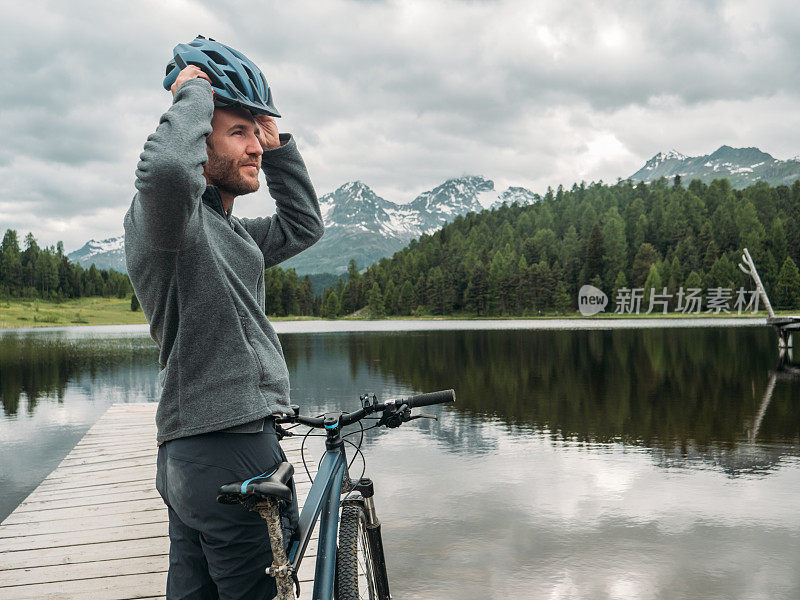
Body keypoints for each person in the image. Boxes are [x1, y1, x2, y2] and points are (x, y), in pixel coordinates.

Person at [124, 35, 324, 599]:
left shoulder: (231, 232)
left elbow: (304, 226)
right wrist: (191, 95)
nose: (254, 146)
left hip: (196, 453)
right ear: (200, 142)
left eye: (255, 132)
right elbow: (166, 171)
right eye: (238, 132)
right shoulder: (170, 224)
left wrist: (276, 140)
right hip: (226, 447)